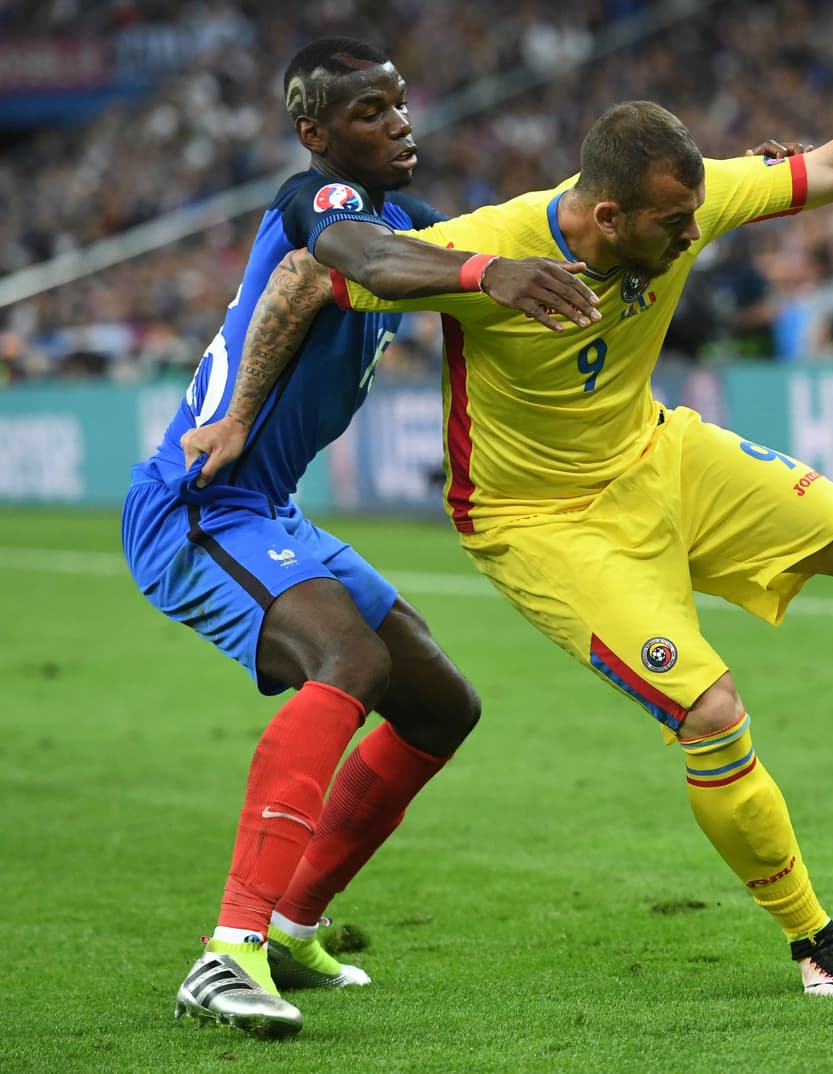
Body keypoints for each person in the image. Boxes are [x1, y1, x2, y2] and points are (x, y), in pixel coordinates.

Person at [234, 35, 833, 1003]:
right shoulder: (494, 244)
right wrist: (239, 413)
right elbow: (314, 276)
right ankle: (812, 938)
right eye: (671, 224)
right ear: (607, 214)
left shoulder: (688, 198)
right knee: (709, 716)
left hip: (658, 454)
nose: (690, 234)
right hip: (539, 521)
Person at [120, 35, 612, 1041]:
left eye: (399, 106)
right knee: (344, 658)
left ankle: (295, 922)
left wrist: (635, 209)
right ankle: (230, 950)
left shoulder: (409, 223)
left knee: (438, 705)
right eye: (370, 114)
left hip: (270, 510)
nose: (399, 125)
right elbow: (354, 259)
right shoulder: (321, 206)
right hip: (198, 503)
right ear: (315, 134)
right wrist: (488, 275)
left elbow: (517, 236)